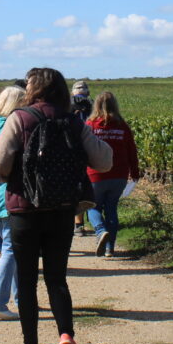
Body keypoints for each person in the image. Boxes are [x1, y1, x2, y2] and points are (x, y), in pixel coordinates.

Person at [0, 67, 112, 344]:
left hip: (24, 208)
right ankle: (66, 335)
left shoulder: (21, 118)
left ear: (33, 89)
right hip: (61, 209)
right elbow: (104, 160)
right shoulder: (73, 121)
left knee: (28, 281)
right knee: (57, 279)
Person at [0, 85, 26, 319]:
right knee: (11, 249)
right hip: (9, 193)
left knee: (11, 248)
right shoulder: (14, 127)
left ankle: (21, 298)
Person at [85, 91, 140, 257]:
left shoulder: (90, 125)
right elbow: (132, 151)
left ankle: (100, 231)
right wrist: (135, 172)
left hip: (95, 174)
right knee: (111, 208)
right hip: (119, 174)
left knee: (93, 206)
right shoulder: (122, 125)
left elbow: (83, 149)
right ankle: (110, 248)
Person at [69, 80, 93, 237]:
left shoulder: (69, 105)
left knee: (74, 186)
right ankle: (88, 222)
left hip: (72, 150)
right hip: (90, 147)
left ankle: (75, 224)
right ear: (87, 92)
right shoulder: (92, 104)